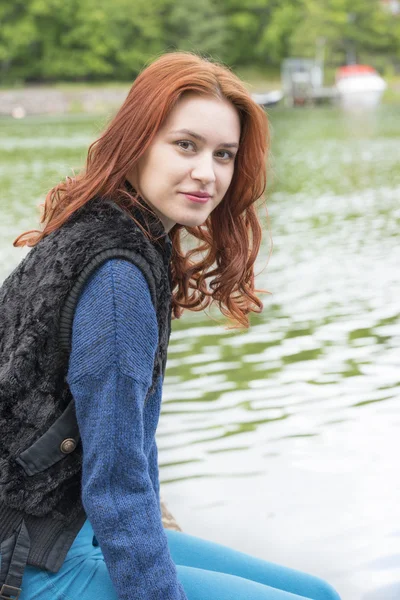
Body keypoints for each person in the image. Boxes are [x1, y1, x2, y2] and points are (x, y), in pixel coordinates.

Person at [0, 52, 341, 600]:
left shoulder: (122, 230)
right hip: (26, 552)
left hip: (66, 522)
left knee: (317, 592)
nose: (208, 173)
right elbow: (117, 485)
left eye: (223, 154)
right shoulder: (117, 277)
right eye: (186, 146)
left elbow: (128, 440)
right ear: (136, 143)